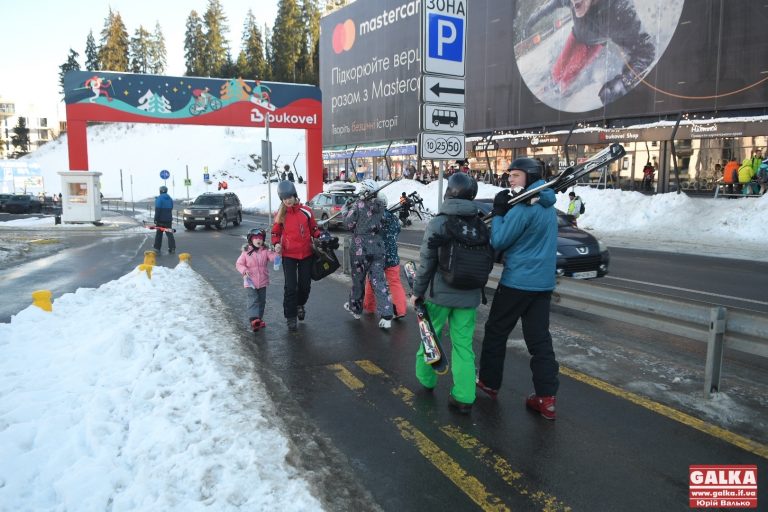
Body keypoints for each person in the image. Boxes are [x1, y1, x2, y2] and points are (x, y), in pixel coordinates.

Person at [476, 158, 560, 420]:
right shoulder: (547, 205)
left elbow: (499, 239)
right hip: (543, 283)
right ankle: (546, 398)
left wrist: (500, 213)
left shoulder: (524, 208)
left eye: (515, 175)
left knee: (496, 331)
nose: (510, 179)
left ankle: (489, 382)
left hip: (517, 282)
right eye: (510, 175)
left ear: (530, 176)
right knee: (539, 340)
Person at [409, 173, 483, 414]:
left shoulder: (439, 223)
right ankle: (464, 396)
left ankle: (426, 380)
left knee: (430, 336)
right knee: (463, 346)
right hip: (469, 295)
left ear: (448, 192)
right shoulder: (479, 223)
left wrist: (417, 292)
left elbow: (426, 262)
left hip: (439, 295)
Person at [526, 0, 655, 105]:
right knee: (560, 64)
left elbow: (646, 51)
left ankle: (562, 87)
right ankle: (553, 82)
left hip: (592, 45)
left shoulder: (619, 9)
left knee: (572, 69)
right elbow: (553, 4)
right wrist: (534, 18)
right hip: (576, 35)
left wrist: (624, 82)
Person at [343, 180, 394, 329]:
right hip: (377, 249)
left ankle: (356, 309)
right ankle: (386, 316)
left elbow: (348, 224)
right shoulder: (382, 206)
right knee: (378, 281)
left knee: (358, 280)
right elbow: (385, 223)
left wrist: (345, 210)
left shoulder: (359, 205)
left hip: (360, 250)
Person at [271, 180, 321, 331]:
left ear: (294, 195)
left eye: (289, 197)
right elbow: (275, 233)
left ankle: (300, 304)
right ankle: (290, 317)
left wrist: (320, 236)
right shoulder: (281, 215)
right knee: (291, 287)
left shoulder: (306, 211)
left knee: (305, 286)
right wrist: (276, 244)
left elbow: (314, 229)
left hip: (306, 254)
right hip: (289, 256)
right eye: (284, 198)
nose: (287, 201)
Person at [363, 197, 407, 319]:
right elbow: (397, 231)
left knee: (371, 281)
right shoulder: (394, 218)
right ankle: (400, 310)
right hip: (392, 256)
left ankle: (369, 306)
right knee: (395, 282)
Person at [236, 229, 278, 332]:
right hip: (250, 282)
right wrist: (244, 270)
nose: (258, 240)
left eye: (260, 238)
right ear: (251, 240)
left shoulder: (265, 251)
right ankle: (254, 319)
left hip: (262, 281)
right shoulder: (246, 252)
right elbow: (239, 264)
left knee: (262, 301)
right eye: (255, 238)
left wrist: (277, 253)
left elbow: (273, 258)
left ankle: (259, 319)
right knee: (253, 299)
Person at [153, 185, 176, 254]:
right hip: (168, 220)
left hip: (160, 220)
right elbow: (171, 208)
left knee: (159, 234)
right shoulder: (170, 199)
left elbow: (157, 210)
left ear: (160, 191)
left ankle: (157, 248)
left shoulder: (159, 199)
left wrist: (156, 219)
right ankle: (172, 248)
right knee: (169, 234)